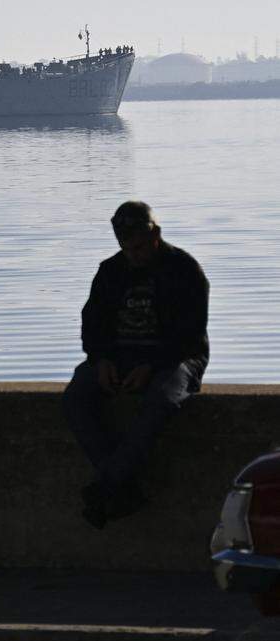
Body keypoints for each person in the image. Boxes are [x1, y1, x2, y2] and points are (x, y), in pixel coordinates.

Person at [63, 201, 209, 529]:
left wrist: (152, 364)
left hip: (178, 357)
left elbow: (191, 333)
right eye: (127, 249)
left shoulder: (185, 270)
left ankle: (106, 485)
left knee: (160, 401)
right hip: (120, 356)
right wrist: (101, 360)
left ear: (155, 234)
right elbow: (93, 324)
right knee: (75, 398)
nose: (134, 255)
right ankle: (122, 488)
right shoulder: (110, 271)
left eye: (140, 248)